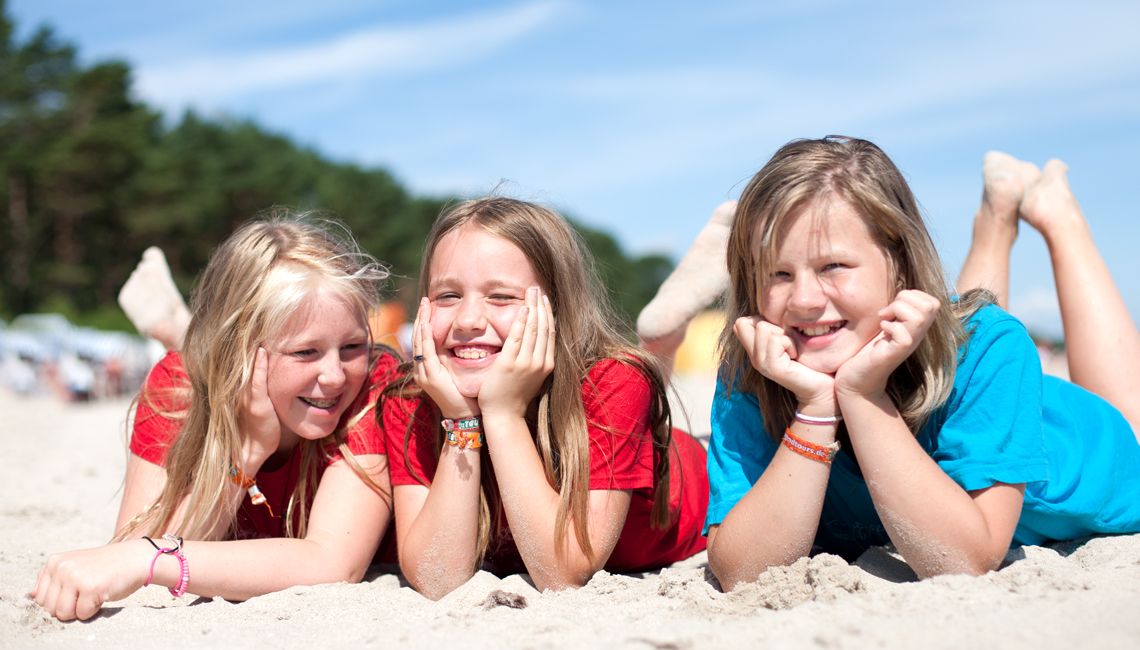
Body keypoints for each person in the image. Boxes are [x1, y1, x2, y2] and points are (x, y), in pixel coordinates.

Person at [702, 136, 1140, 589]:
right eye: (778, 272)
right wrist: (815, 408)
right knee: (958, 330)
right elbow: (742, 572)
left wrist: (863, 394)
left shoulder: (993, 347)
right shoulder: (753, 371)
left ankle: (1058, 217)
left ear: (900, 260)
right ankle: (997, 216)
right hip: (942, 360)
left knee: (984, 337)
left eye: (833, 265)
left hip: (1088, 444)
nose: (805, 300)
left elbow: (967, 560)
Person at [31, 215, 400, 620]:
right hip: (215, 373)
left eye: (352, 346)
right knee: (199, 375)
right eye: (305, 352)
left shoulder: (371, 389)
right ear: (240, 351)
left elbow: (333, 562)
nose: (334, 375)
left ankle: (181, 328)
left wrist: (147, 559)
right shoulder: (178, 387)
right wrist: (247, 450)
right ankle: (186, 335)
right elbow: (134, 548)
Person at [380, 197, 708, 599]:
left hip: (696, 487)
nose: (467, 321)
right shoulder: (410, 401)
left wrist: (502, 415)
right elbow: (437, 578)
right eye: (448, 296)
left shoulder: (614, 382)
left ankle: (663, 341)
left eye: (500, 297)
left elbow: (563, 572)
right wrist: (462, 422)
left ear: (554, 308)